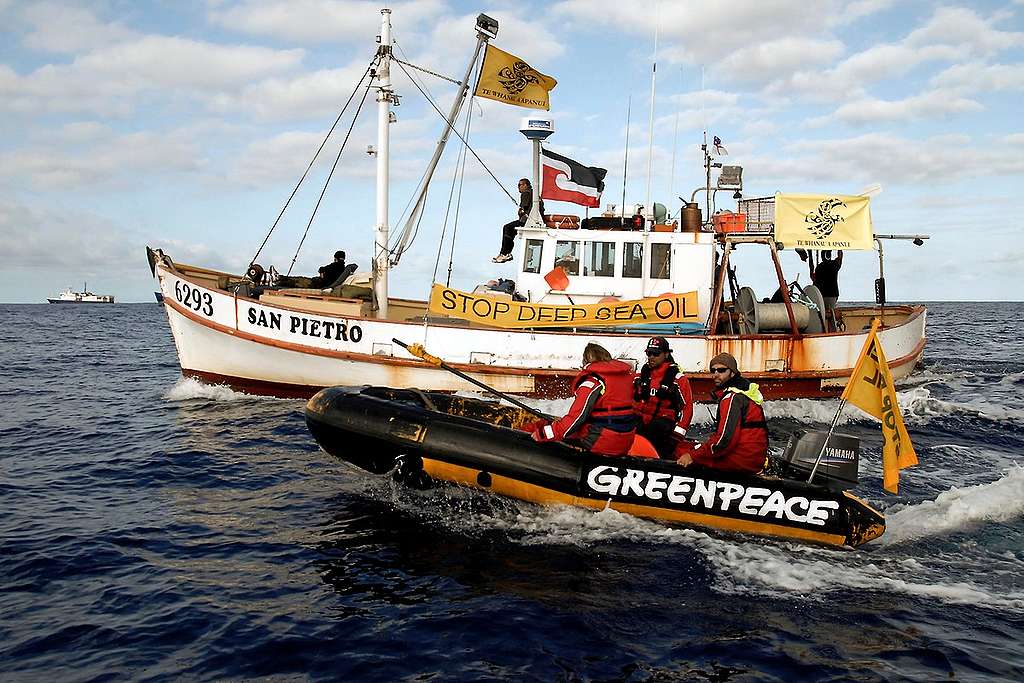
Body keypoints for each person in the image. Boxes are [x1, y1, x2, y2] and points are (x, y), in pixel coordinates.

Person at [529, 342, 636, 456]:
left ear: (585, 361)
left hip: (602, 441)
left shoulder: (593, 382)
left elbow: (576, 418)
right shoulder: (626, 377)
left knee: (547, 428)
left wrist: (543, 434)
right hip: (626, 439)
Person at [674, 352, 768, 473]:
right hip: (754, 458)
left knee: (681, 450)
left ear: (732, 372)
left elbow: (724, 441)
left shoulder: (732, 398)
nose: (716, 375)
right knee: (689, 446)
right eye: (713, 371)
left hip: (742, 460)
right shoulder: (744, 392)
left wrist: (692, 456)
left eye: (721, 370)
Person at [633, 337, 694, 459]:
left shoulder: (678, 380)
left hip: (663, 430)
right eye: (649, 353)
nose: (651, 357)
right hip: (638, 427)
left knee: (657, 429)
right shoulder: (639, 377)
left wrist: (676, 438)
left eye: (655, 354)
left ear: (666, 354)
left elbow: (686, 410)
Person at [494, 178, 544, 263]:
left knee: (507, 228)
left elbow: (522, 210)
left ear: (525, 185)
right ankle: (506, 253)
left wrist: (520, 212)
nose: (518, 187)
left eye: (519, 185)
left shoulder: (526, 193)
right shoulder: (535, 195)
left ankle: (505, 253)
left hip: (528, 221)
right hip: (538, 220)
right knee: (511, 230)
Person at [810, 250, 843, 328]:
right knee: (832, 316)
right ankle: (832, 331)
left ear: (821, 257)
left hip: (821, 295)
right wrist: (839, 246)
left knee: (821, 315)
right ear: (830, 255)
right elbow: (840, 257)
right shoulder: (834, 264)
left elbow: (812, 276)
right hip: (832, 295)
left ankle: (822, 331)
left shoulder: (819, 267)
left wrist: (810, 254)